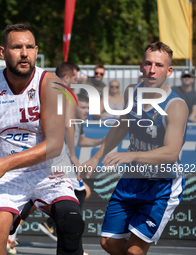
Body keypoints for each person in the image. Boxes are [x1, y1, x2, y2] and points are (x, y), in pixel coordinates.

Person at [0, 23, 84, 255]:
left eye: (29, 47)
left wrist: (1, 165)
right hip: (6, 175)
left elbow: (53, 145)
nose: (24, 53)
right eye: (17, 47)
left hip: (47, 171)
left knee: (70, 221)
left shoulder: (50, 84)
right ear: (2, 52)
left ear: (36, 50)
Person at [78, 42, 188, 255]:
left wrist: (132, 155)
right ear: (140, 66)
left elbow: (171, 152)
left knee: (135, 250)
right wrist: (96, 157)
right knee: (108, 243)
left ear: (169, 70)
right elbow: (121, 126)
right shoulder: (133, 92)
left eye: (159, 65)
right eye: (148, 63)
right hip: (133, 178)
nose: (152, 70)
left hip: (162, 186)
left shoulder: (175, 105)